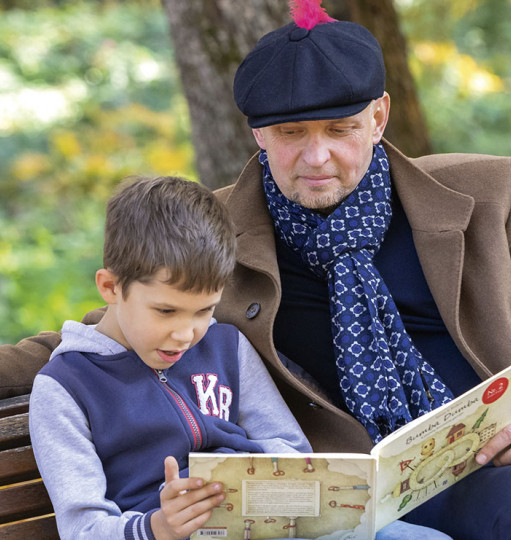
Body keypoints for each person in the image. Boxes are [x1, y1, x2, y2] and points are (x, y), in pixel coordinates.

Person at [0, 1, 511, 537]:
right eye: (290, 134)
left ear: (381, 116)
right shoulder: (223, 235)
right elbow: (109, 325)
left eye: (339, 129)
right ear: (259, 135)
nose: (317, 156)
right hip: (411, 480)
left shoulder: (488, 188)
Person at [28, 175, 448, 540]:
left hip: (275, 522)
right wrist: (160, 526)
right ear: (110, 287)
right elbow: (82, 529)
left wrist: (245, 477)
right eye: (165, 311)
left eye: (204, 310)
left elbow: (290, 448)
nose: (186, 334)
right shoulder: (65, 388)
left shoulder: (224, 344)